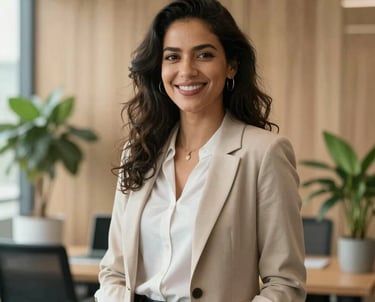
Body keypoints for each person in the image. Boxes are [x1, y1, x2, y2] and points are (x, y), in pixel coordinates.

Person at [95, 0, 306, 301]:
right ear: (159, 68)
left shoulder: (264, 154)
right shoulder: (138, 151)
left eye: (204, 55)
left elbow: (285, 284)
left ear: (231, 64)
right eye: (172, 57)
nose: (186, 70)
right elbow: (114, 272)